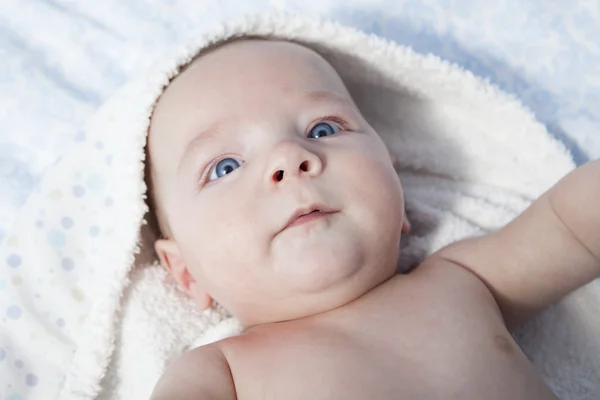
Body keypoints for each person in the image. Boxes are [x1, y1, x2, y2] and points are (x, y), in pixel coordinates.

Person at [145, 37, 599, 399]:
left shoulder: (465, 278)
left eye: (322, 129)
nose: (289, 158)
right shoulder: (221, 373)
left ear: (395, 185)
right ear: (186, 274)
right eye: (225, 167)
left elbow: (570, 227)